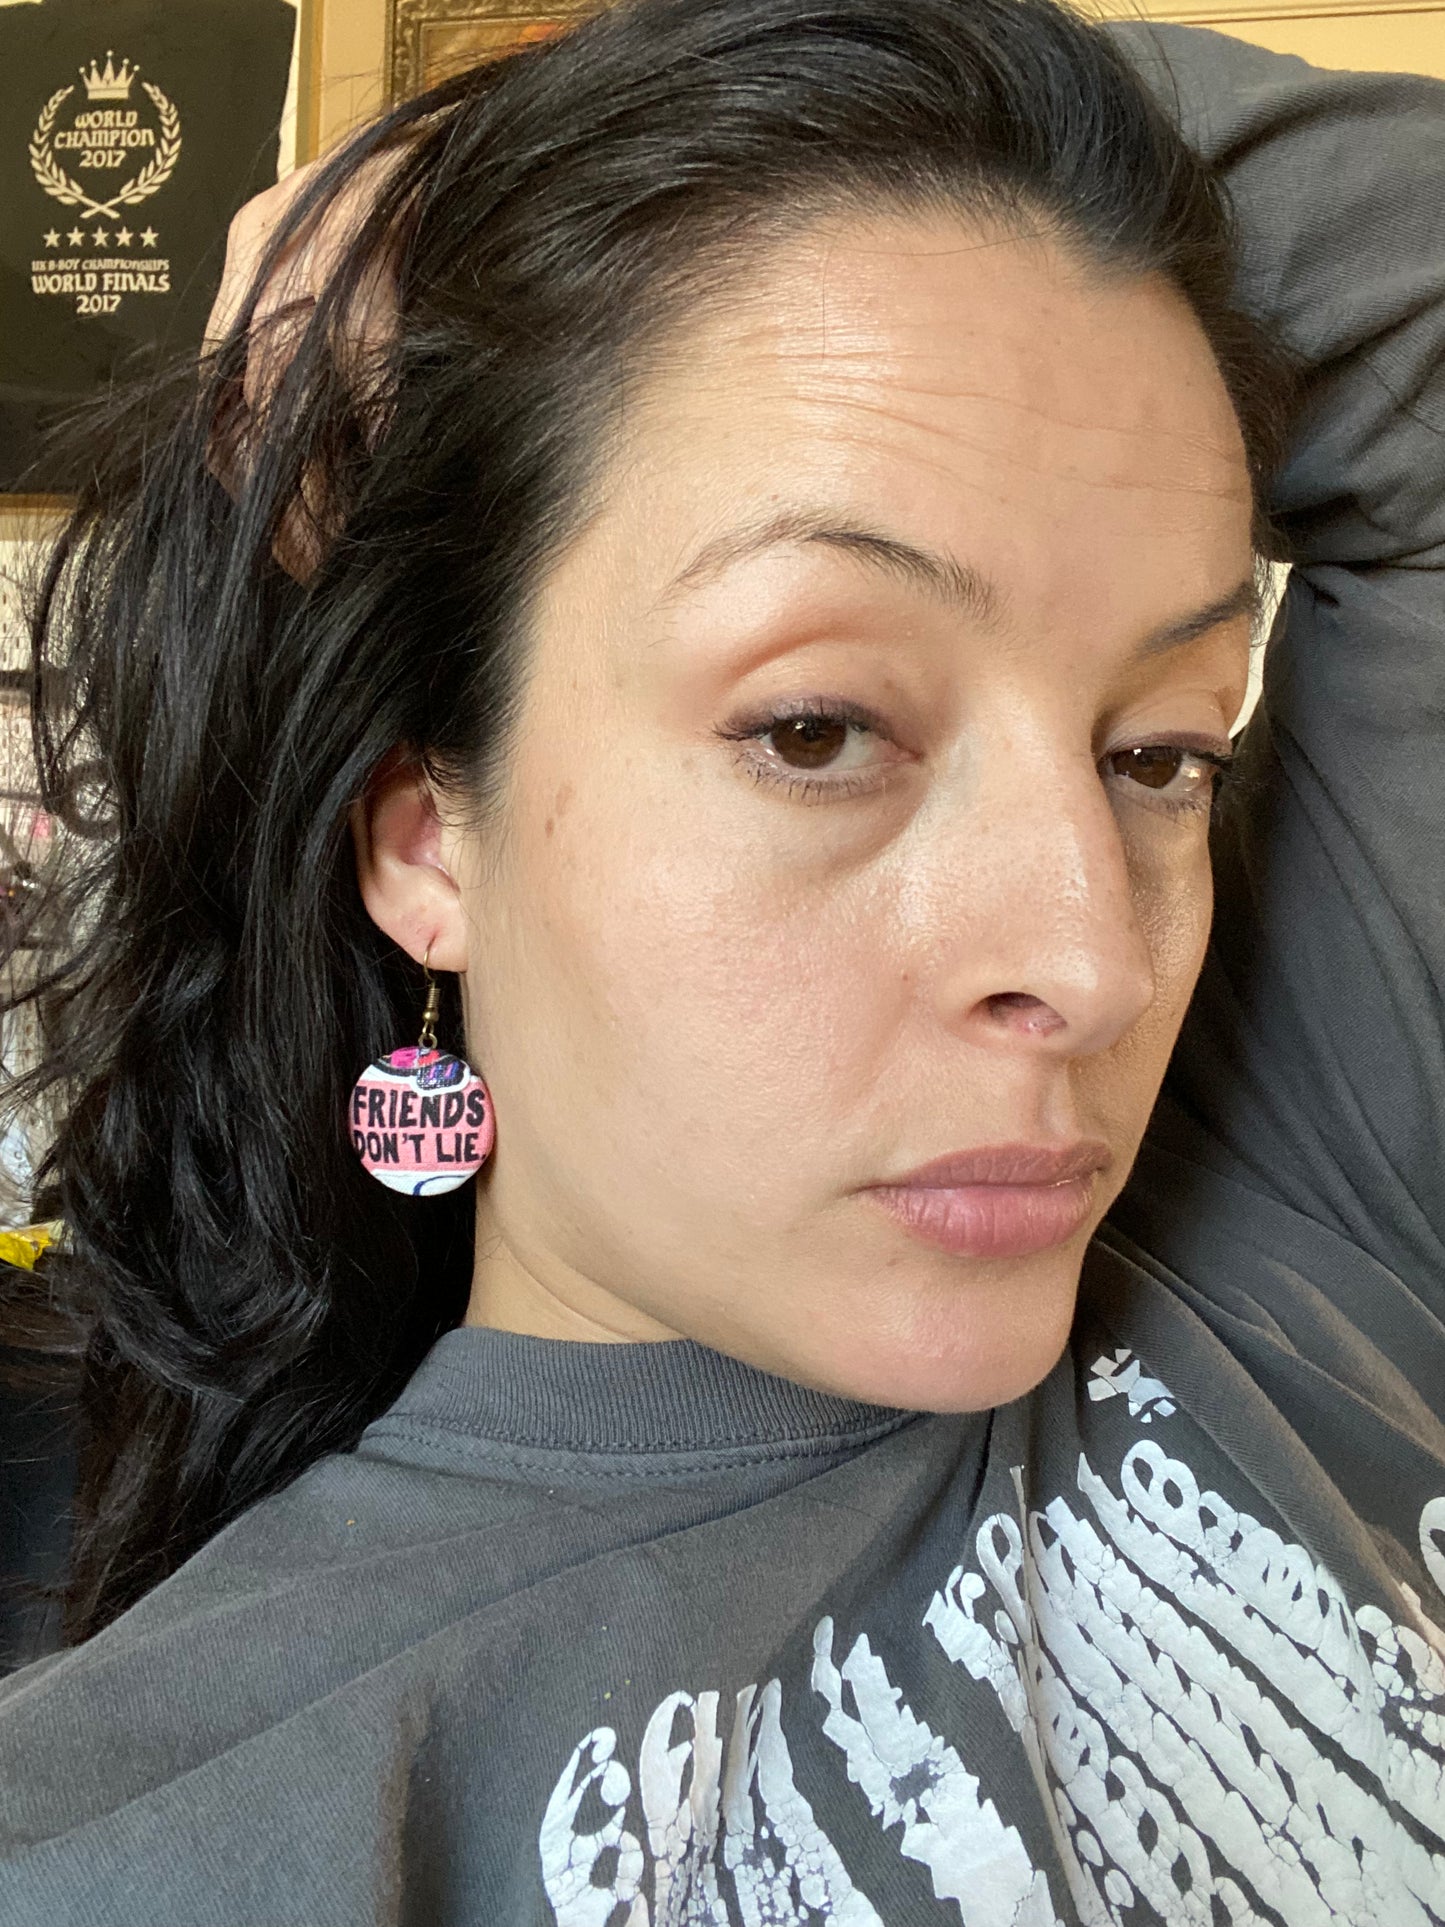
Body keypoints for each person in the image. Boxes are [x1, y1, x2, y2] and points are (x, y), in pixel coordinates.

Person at [0, 0, 1442, 1918]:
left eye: (1161, 753)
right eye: (817, 731)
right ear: (426, 838)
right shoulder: (167, 1836)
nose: (1094, 963)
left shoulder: (1299, 1197)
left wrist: (499, 159)